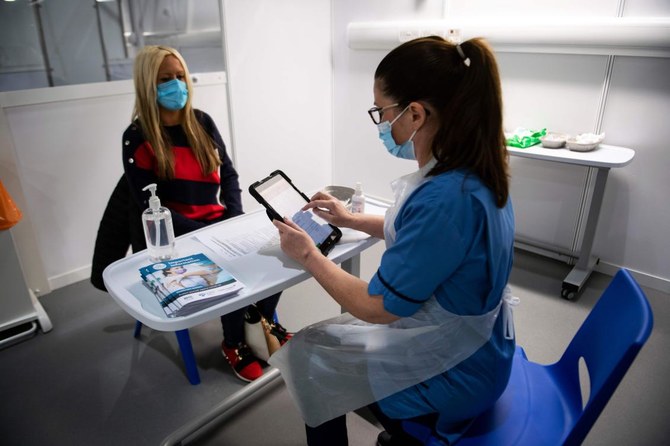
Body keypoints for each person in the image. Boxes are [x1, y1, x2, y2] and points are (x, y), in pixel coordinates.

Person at [269, 36, 516, 446]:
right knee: (325, 343)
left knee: (307, 356)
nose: (381, 123)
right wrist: (351, 218)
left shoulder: (444, 199)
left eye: (381, 111)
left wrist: (309, 255)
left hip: (456, 371)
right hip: (484, 345)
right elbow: (428, 242)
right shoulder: (472, 170)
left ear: (415, 114)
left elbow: (376, 307)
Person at [123, 45, 290, 382]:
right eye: (165, 79)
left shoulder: (202, 121)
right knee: (228, 268)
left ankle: (262, 319)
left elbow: (228, 174)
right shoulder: (137, 138)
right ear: (147, 85)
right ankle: (234, 343)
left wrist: (235, 217)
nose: (176, 85)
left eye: (180, 76)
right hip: (178, 234)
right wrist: (206, 234)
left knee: (280, 251)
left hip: (219, 221)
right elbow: (150, 204)